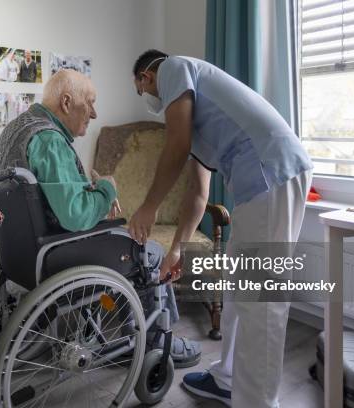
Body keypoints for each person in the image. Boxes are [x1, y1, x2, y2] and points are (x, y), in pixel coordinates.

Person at [129, 50, 314, 408]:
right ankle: (226, 379)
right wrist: (178, 249)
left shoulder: (173, 68)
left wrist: (148, 206)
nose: (147, 99)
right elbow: (198, 194)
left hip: (272, 172)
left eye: (141, 91)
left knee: (260, 299)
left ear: (146, 78)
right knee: (237, 288)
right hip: (259, 182)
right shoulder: (198, 120)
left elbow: (177, 145)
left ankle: (257, 402)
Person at [0, 69, 202, 368]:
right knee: (149, 251)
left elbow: (46, 193)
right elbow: (74, 215)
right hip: (57, 252)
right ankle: (157, 342)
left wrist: (86, 186)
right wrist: (107, 187)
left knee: (132, 245)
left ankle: (131, 330)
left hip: (21, 254)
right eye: (89, 102)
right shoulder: (49, 140)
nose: (94, 112)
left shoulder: (19, 128)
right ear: (66, 102)